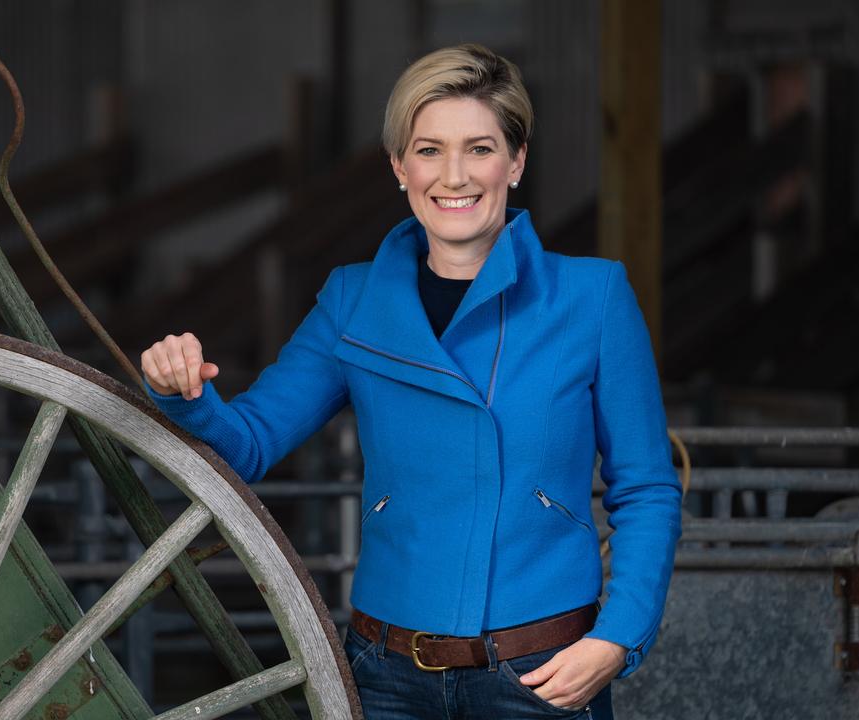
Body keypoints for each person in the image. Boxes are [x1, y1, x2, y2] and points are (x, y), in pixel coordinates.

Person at [141, 43, 680, 719]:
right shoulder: (353, 300)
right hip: (386, 677)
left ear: (516, 162)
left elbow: (647, 486)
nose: (453, 176)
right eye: (428, 150)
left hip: (543, 674)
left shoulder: (592, 297)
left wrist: (617, 637)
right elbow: (249, 440)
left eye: (479, 148)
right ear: (399, 166)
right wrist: (182, 388)